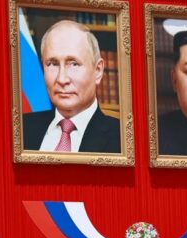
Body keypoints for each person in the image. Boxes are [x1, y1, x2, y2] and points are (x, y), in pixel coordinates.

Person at [23, 20, 120, 153]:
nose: (62, 79)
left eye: (74, 64)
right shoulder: (20, 129)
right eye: (52, 64)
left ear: (98, 71)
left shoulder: (123, 139)